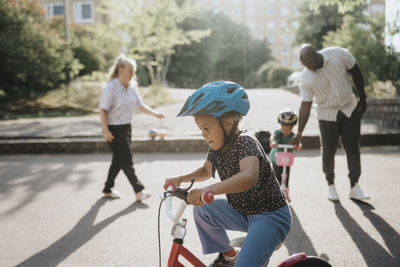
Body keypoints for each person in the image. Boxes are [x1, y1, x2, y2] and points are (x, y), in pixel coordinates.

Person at [163, 81, 291, 267]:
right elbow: (206, 170)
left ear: (228, 123)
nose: (203, 135)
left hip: (270, 216)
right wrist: (180, 178)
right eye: (201, 130)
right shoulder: (218, 146)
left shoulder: (245, 142)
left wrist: (208, 190)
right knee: (202, 209)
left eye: (207, 128)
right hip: (244, 212)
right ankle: (230, 256)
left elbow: (249, 177)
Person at [292, 44, 369, 202]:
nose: (310, 69)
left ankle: (354, 186)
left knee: (352, 148)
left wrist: (363, 97)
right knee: (328, 150)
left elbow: (356, 71)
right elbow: (305, 105)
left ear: (317, 55)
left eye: (311, 65)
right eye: (306, 66)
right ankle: (331, 186)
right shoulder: (306, 77)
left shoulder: (339, 54)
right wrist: (299, 132)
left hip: (349, 108)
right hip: (326, 114)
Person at [99, 55, 165, 201]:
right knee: (126, 159)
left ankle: (107, 189)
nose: (132, 74)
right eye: (130, 70)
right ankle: (138, 190)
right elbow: (103, 109)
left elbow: (140, 106)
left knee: (119, 159)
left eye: (133, 71)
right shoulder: (111, 87)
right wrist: (105, 130)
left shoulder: (132, 87)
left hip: (126, 128)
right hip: (113, 129)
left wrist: (155, 113)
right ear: (120, 69)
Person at [269, 109, 301, 202]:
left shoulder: (293, 136)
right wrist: (273, 142)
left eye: (289, 128)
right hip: (276, 158)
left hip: (287, 159)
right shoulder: (278, 133)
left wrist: (298, 146)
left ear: (292, 127)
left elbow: (298, 143)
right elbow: (272, 137)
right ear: (280, 125)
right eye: (284, 127)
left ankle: (286, 192)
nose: (286, 130)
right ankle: (275, 193)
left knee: (286, 176)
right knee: (277, 175)